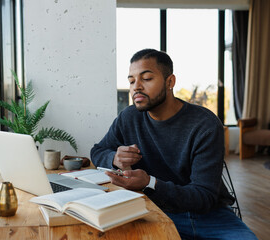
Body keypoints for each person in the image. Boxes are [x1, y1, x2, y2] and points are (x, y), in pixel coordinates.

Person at [91, 49, 258, 239]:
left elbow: (203, 197)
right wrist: (113, 157)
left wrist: (149, 183)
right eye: (131, 81)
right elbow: (97, 151)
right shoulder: (129, 117)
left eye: (146, 79)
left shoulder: (205, 125)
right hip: (152, 210)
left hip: (209, 216)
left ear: (170, 82)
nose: (136, 86)